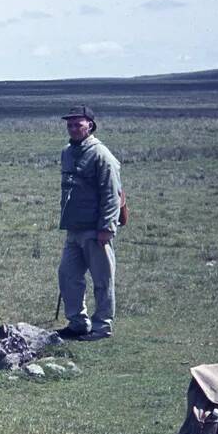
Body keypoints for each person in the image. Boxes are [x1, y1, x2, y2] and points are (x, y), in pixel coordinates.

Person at [56, 105, 122, 342]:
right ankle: (77, 324)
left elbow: (112, 194)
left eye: (78, 124)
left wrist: (106, 227)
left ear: (90, 126)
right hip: (74, 229)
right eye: (70, 124)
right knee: (67, 276)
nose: (73, 129)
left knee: (102, 280)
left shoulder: (101, 155)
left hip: (96, 230)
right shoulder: (67, 152)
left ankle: (102, 327)